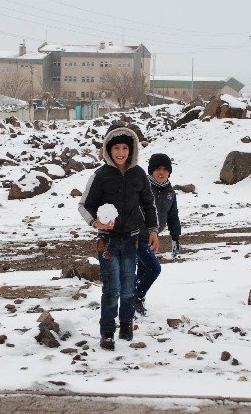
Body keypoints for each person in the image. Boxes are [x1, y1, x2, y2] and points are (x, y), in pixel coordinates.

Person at [79, 125, 159, 351]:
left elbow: (148, 203)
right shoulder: (101, 175)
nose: (121, 152)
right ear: (108, 149)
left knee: (128, 288)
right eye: (116, 148)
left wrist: (152, 230)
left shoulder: (139, 174)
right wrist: (96, 222)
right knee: (112, 288)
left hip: (132, 240)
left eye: (125, 148)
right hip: (108, 243)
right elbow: (84, 205)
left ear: (131, 149)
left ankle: (126, 325)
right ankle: (107, 332)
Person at [135, 153, 181, 316]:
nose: (161, 172)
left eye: (165, 169)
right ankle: (136, 297)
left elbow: (173, 216)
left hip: (151, 237)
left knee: (143, 270)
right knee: (154, 268)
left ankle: (134, 301)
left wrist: (175, 238)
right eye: (157, 169)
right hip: (138, 235)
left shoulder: (170, 192)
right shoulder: (142, 186)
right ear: (151, 171)